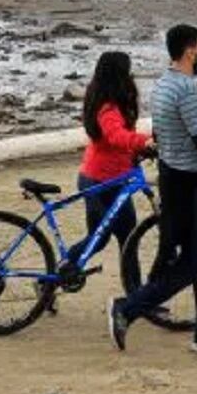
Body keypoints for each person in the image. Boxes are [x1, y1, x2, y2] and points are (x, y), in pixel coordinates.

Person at [107, 24, 197, 354]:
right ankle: (128, 308)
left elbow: (163, 136)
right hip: (196, 187)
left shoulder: (162, 86)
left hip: (177, 181)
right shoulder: (187, 90)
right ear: (190, 51)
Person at [63, 51, 153, 282]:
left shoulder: (110, 101)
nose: (132, 76)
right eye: (128, 72)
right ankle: (57, 274)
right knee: (101, 239)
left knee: (126, 239)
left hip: (113, 179)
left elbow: (121, 140)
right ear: (118, 76)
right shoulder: (108, 108)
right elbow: (116, 136)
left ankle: (136, 298)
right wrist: (145, 140)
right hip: (100, 182)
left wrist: (139, 149)